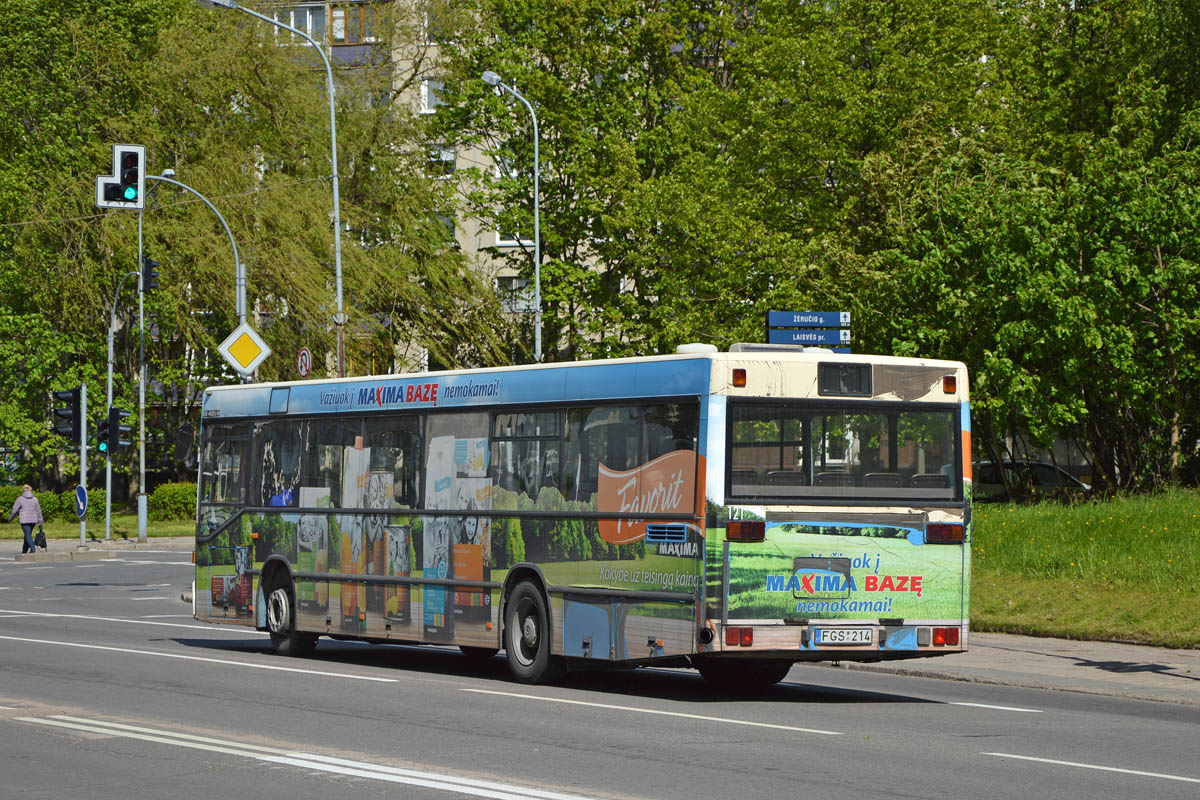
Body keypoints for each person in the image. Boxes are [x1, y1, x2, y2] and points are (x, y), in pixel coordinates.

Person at [9, 485, 44, 554]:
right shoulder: (35, 499)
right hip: (33, 520)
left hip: (24, 520)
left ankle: (32, 547)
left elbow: (14, 510)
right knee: (28, 534)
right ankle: (24, 550)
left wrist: (10, 518)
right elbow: (39, 511)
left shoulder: (20, 499)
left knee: (27, 534)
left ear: (23, 490)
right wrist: (40, 521)